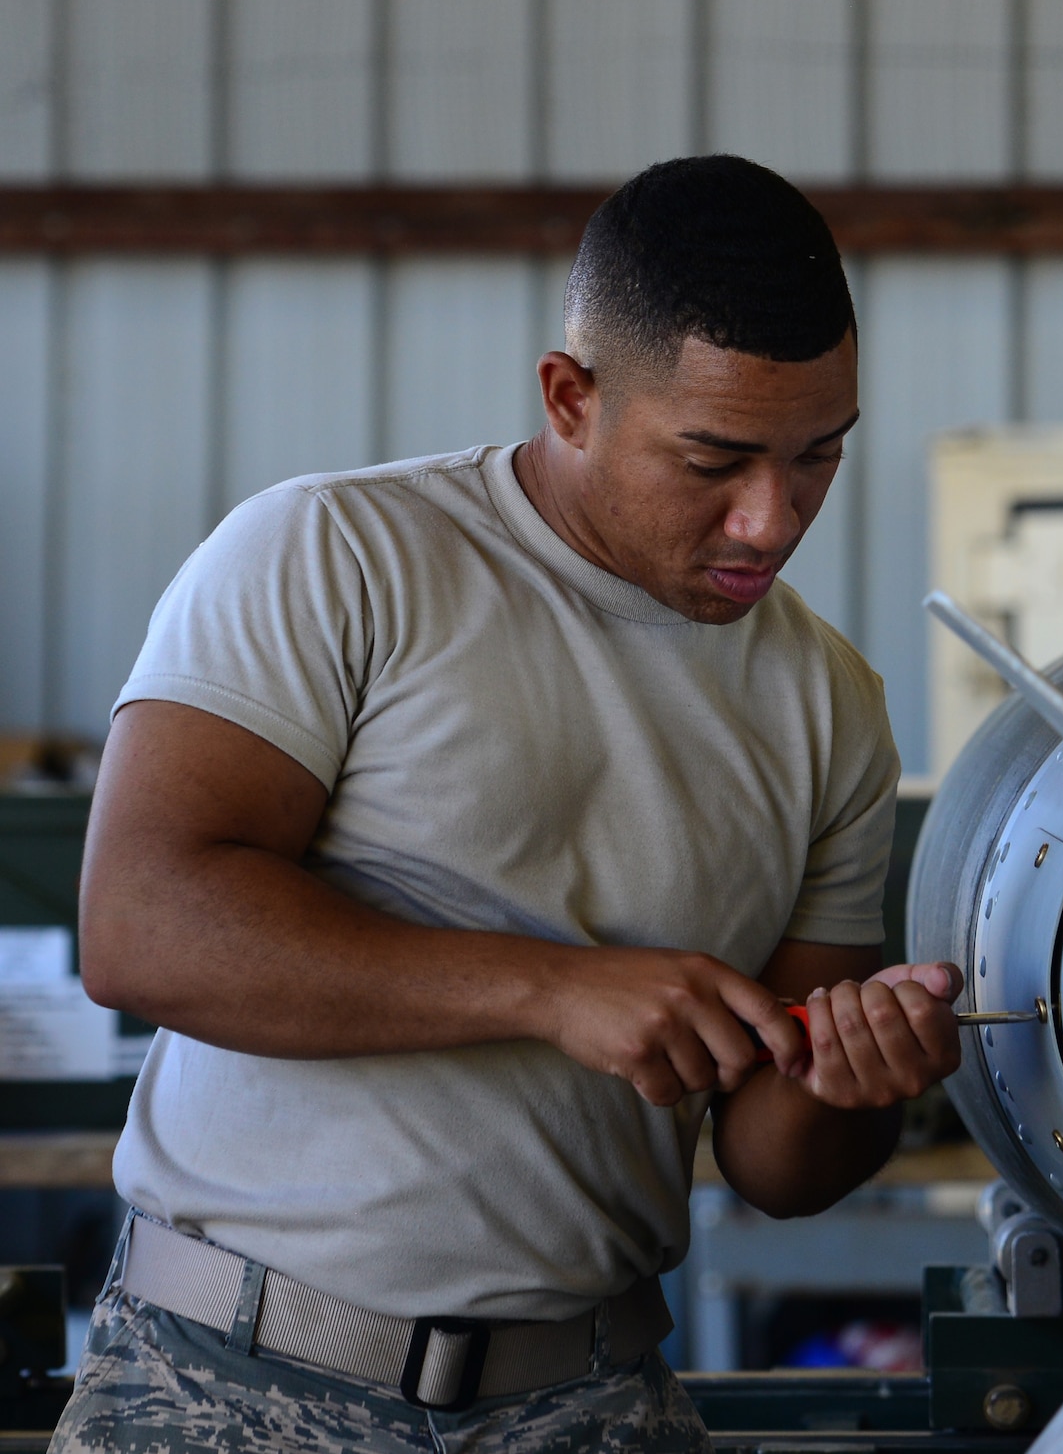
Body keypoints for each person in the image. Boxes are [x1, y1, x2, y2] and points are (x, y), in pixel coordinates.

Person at [55, 156, 964, 1452]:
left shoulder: (828, 703)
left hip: (590, 1400)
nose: (770, 519)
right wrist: (554, 989)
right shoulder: (335, 554)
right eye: (713, 458)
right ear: (570, 395)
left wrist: (859, 1077)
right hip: (237, 1389)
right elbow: (141, 926)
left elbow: (778, 1166)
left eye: (818, 458)